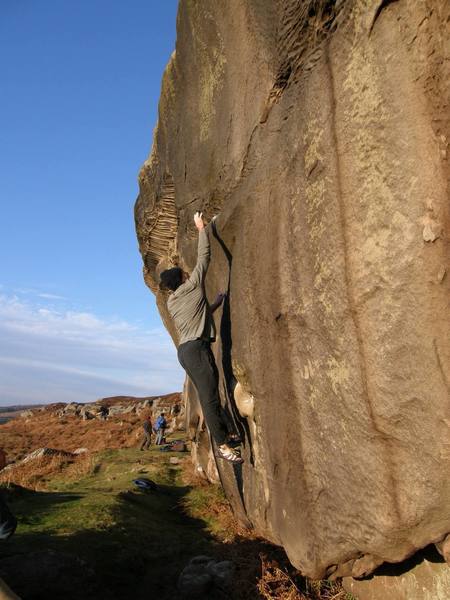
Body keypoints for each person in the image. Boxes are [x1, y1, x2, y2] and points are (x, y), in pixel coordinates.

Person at [159, 212, 243, 464]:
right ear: (181, 279)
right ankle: (223, 445)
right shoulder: (192, 286)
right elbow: (204, 257)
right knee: (209, 396)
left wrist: (215, 303)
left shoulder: (173, 301)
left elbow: (198, 313)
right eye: (183, 273)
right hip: (195, 350)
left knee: (210, 391)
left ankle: (226, 430)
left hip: (187, 352)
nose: (187, 273)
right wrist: (202, 229)